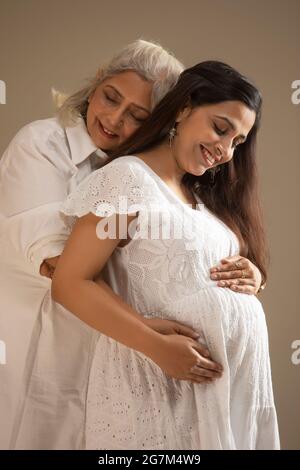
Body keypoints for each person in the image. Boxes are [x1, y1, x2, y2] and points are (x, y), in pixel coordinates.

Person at [0, 40, 263, 449]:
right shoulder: (46, 146)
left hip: (125, 362)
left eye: (137, 115)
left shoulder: (162, 177)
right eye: (110, 97)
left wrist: (250, 276)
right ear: (95, 85)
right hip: (42, 344)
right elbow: (61, 267)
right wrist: (151, 336)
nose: (114, 118)